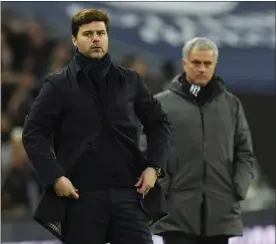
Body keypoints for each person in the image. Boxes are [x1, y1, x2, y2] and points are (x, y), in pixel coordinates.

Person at [22, 9, 171, 244]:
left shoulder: (130, 80)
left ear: (107, 37)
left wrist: (155, 167)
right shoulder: (57, 85)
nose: (95, 38)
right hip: (80, 198)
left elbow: (159, 123)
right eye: (88, 33)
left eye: (101, 33)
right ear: (74, 39)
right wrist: (54, 176)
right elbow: (33, 134)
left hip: (129, 196)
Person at [149, 37, 256, 244]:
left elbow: (245, 152)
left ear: (214, 66)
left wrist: (237, 188)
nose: (202, 69)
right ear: (184, 64)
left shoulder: (231, 105)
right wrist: (164, 191)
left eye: (207, 64)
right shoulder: (161, 104)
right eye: (196, 63)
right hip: (177, 217)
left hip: (220, 215)